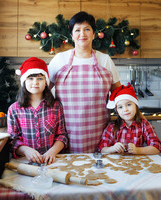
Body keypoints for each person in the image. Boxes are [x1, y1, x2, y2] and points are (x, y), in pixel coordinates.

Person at [48, 11, 121, 153]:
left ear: (94, 34)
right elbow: (43, 92)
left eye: (87, 29)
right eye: (77, 30)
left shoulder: (105, 60)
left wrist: (137, 118)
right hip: (65, 133)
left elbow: (119, 93)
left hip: (100, 133)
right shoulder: (59, 59)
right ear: (71, 35)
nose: (83, 34)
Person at [7, 57, 68, 164]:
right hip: (24, 162)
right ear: (24, 81)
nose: (35, 82)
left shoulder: (56, 106)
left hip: (51, 161)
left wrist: (52, 151)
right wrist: (26, 151)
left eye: (40, 78)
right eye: (30, 78)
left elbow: (62, 135)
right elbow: (12, 140)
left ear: (46, 82)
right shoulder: (14, 109)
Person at [98, 85, 161, 154]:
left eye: (128, 104)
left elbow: (157, 147)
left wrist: (138, 150)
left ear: (136, 105)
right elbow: (101, 149)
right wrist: (112, 148)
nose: (125, 109)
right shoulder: (111, 127)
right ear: (117, 111)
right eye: (120, 107)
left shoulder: (144, 125)